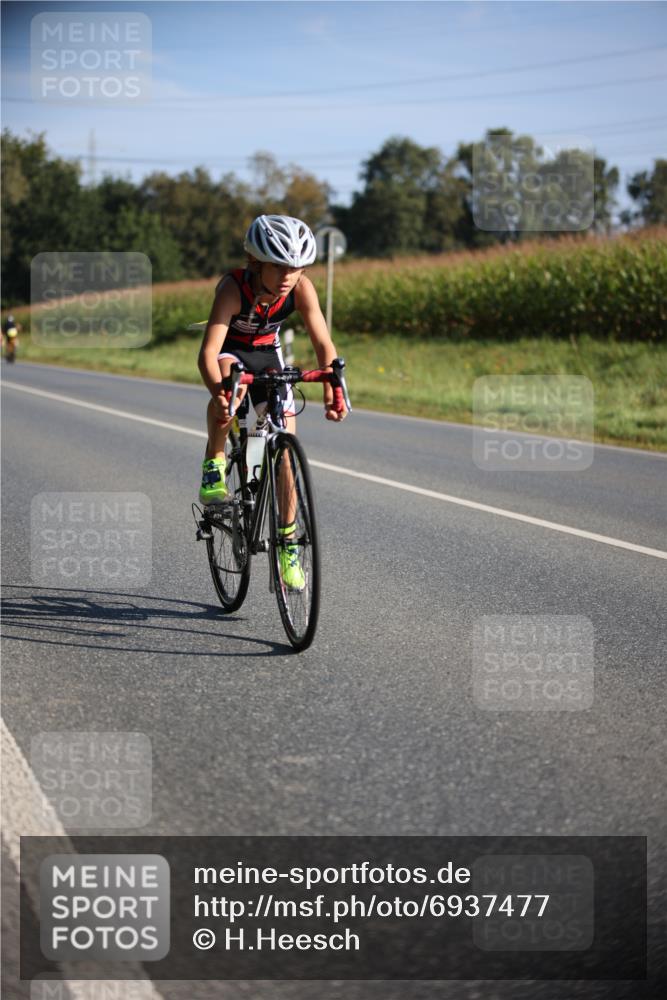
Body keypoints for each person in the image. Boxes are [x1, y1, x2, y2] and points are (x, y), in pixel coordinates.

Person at [197, 214, 347, 589]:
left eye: (295, 268)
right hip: (231, 353)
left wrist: (333, 386)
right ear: (257, 263)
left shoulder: (301, 289)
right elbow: (208, 353)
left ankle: (288, 546)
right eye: (278, 266)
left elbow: (323, 343)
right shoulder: (233, 288)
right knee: (232, 388)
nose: (287, 277)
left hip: (268, 354)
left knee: (284, 455)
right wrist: (220, 393)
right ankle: (214, 465)